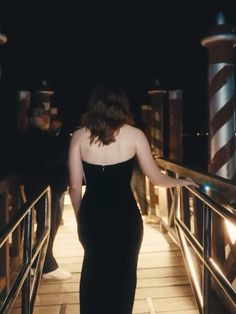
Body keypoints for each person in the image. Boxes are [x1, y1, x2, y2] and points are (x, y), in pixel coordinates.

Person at [68, 85, 197, 314]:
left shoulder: (79, 136)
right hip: (125, 218)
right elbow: (156, 178)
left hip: (92, 216)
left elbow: (75, 187)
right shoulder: (135, 135)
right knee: (124, 275)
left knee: (93, 272)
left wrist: (81, 218)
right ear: (122, 106)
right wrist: (180, 182)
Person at [22, 106, 71, 280]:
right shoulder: (33, 137)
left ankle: (39, 263)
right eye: (39, 114)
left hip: (48, 187)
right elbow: (50, 160)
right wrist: (64, 140)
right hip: (42, 188)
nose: (44, 117)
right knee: (47, 224)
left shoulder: (41, 136)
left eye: (45, 113)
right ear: (29, 119)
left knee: (51, 223)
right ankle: (47, 266)